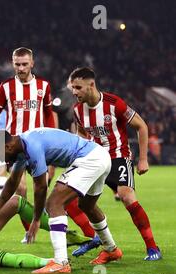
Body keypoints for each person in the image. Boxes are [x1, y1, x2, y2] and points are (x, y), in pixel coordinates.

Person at [0, 128, 123, 274]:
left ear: (8, 147)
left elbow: (41, 187)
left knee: (54, 203)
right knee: (87, 205)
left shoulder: (32, 146)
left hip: (89, 159)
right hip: (99, 156)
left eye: (0, 155)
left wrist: (36, 219)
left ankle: (60, 262)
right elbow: (12, 182)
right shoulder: (22, 149)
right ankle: (111, 249)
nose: (2, 160)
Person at [69, 67, 162, 261]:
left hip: (118, 156)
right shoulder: (78, 110)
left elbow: (141, 125)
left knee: (127, 197)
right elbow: (81, 133)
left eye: (78, 87)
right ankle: (96, 239)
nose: (74, 92)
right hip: (95, 159)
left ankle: (153, 248)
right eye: (73, 88)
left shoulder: (114, 103)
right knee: (71, 199)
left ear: (91, 85)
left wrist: (143, 158)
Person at [0, 47, 58, 242]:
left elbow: (47, 114)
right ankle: (29, 231)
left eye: (24, 64)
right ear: (13, 64)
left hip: (39, 144)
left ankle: (39, 221)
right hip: (16, 146)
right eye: (17, 64)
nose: (20, 68)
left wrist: (53, 137)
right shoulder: (5, 87)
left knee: (42, 187)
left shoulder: (43, 86)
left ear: (32, 63)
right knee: (20, 190)